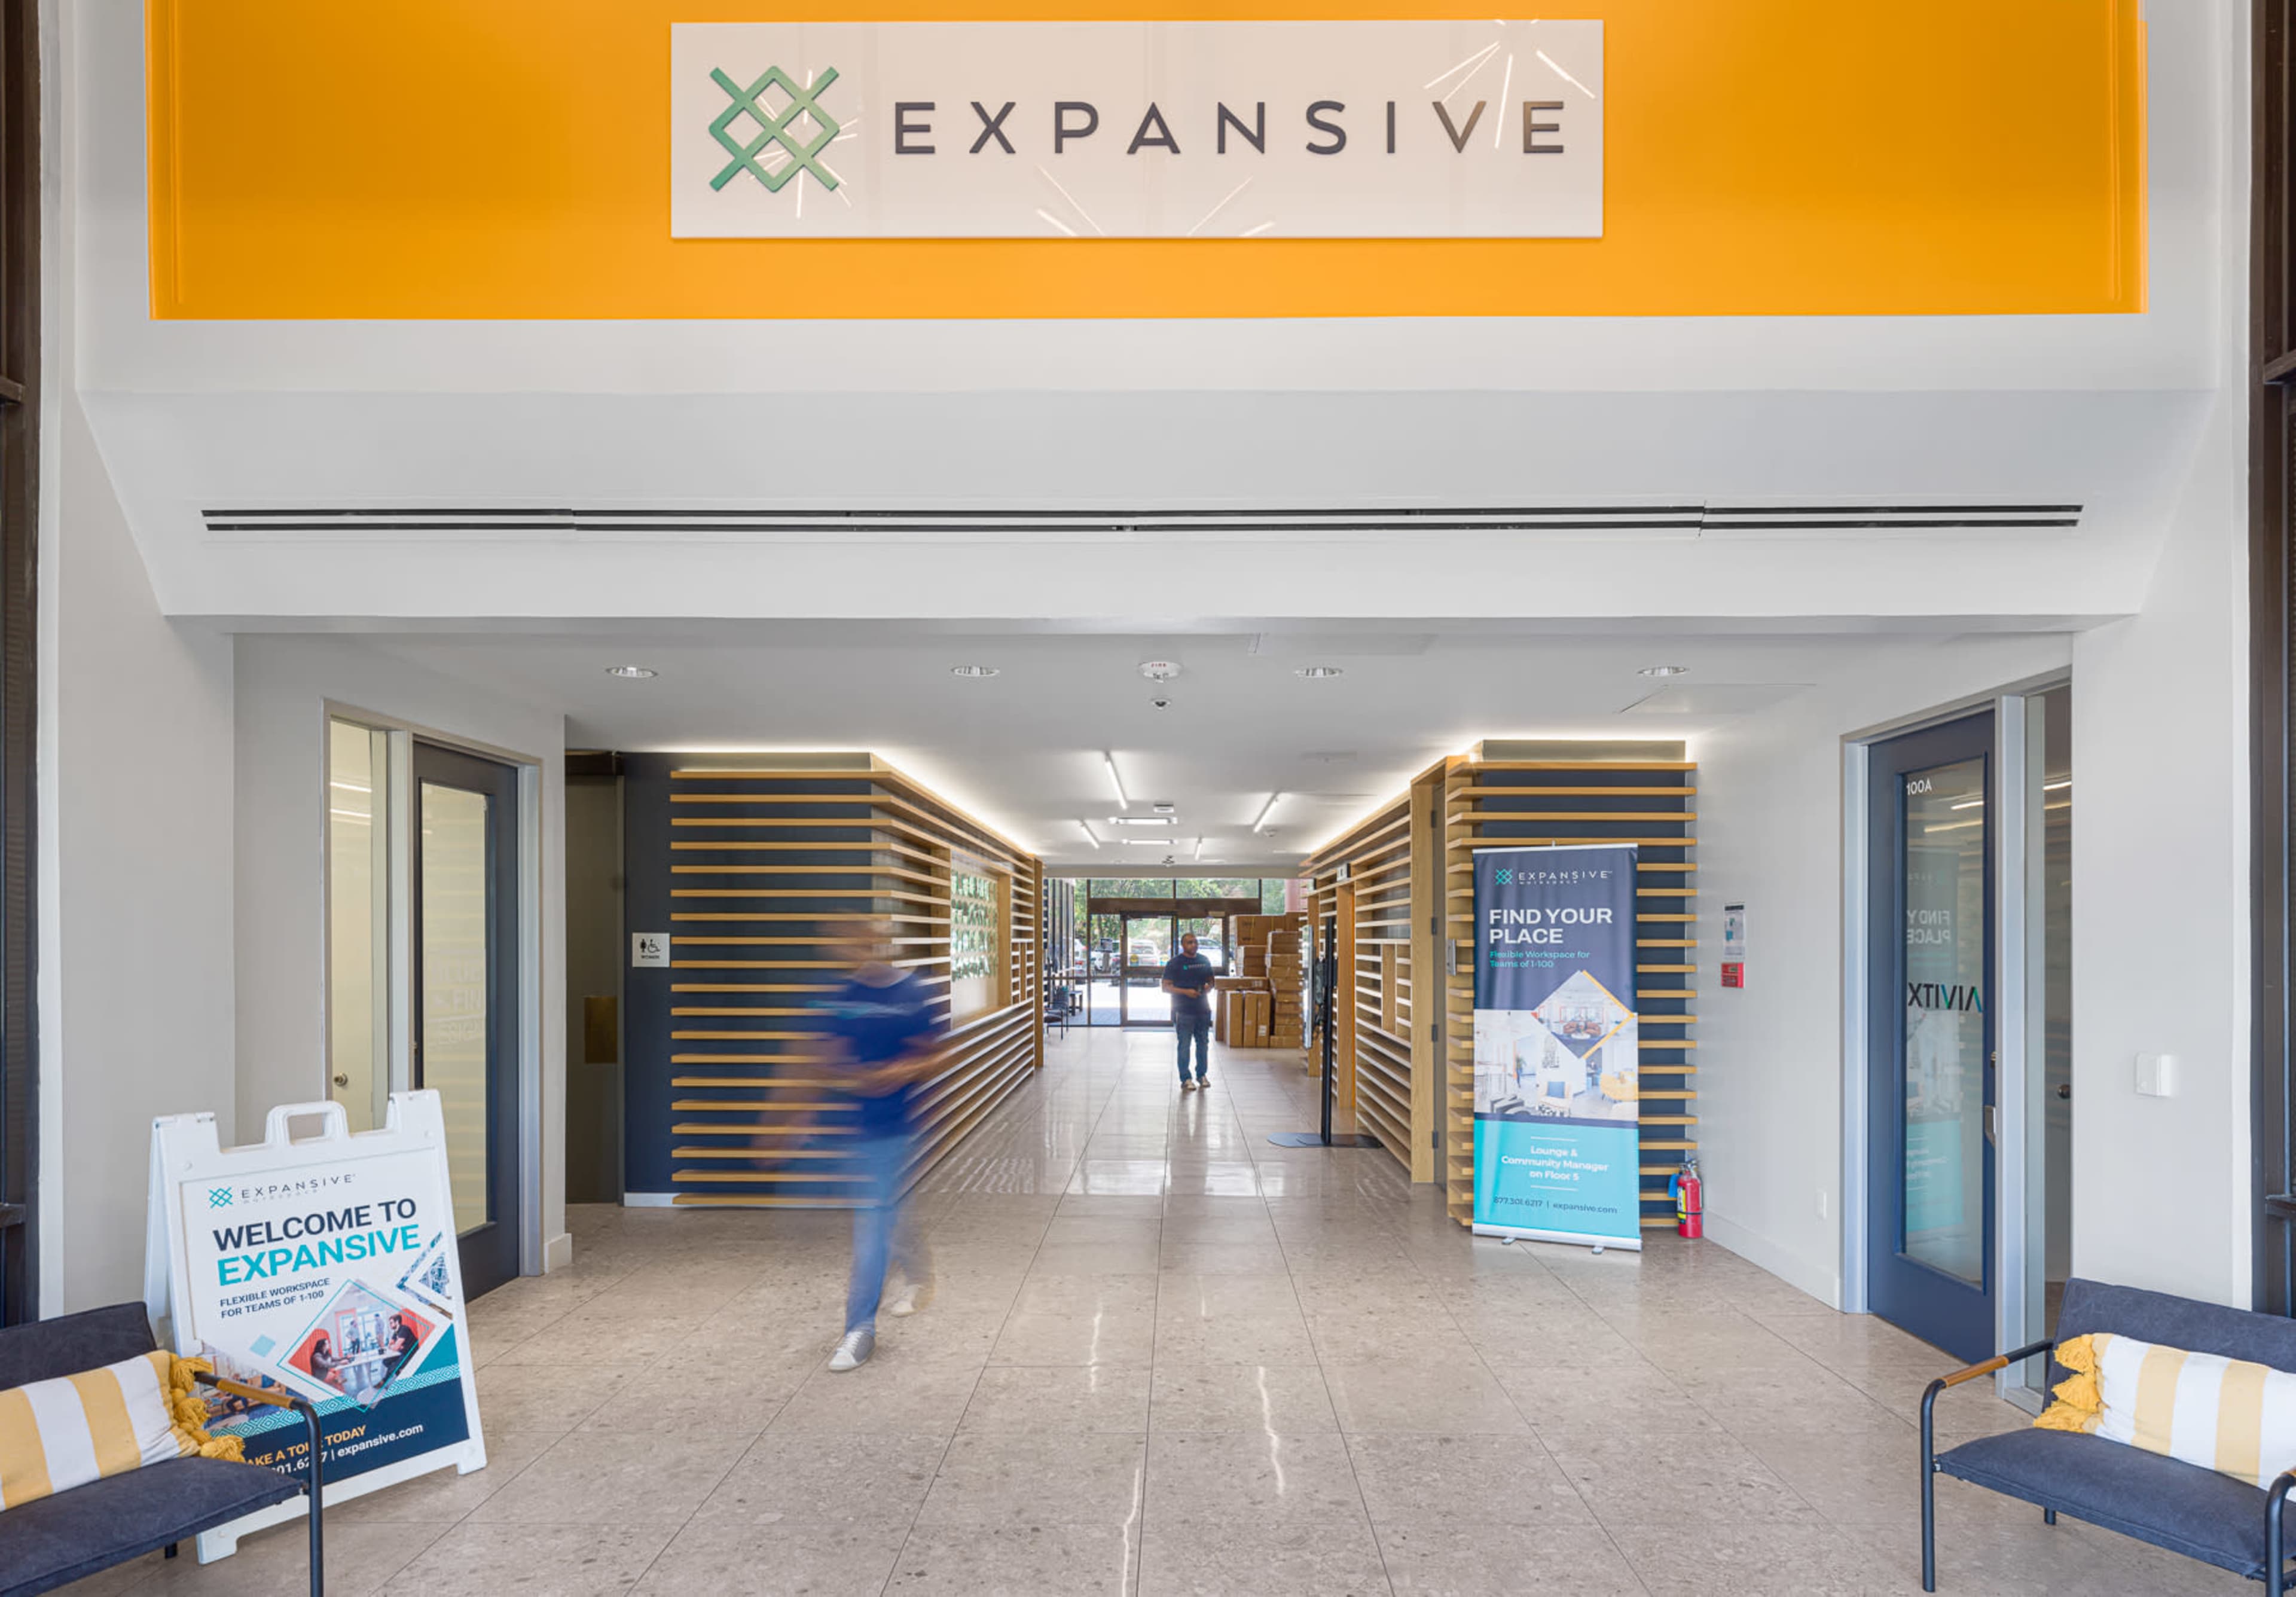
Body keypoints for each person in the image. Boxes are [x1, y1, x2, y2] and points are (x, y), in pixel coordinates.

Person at [811, 923, 943, 1372]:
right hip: (851, 1127)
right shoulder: (839, 998)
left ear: (870, 944)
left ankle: (860, 1328)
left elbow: (938, 1053)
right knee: (891, 1211)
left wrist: (904, 1068)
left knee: (871, 1225)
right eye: (837, 943)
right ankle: (921, 1275)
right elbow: (820, 1057)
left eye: (850, 941)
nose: (842, 949)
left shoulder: (911, 993)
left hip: (896, 1126)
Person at [1162, 930, 1216, 1091]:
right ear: (1183, 945)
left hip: (1203, 1010)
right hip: (1184, 1010)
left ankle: (1202, 1075)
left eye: (1195, 942)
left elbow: (1212, 982)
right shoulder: (1175, 963)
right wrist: (1186, 992)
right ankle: (1186, 1078)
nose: (1194, 945)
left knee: (1203, 1043)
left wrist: (1208, 987)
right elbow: (1166, 987)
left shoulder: (1204, 961)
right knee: (1184, 1045)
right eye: (1190, 942)